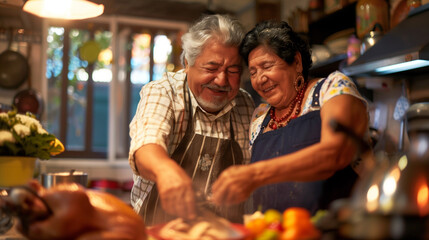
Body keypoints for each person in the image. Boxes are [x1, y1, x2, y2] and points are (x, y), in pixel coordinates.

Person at [211, 20, 369, 215]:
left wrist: (255, 174)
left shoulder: (332, 88)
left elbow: (335, 152)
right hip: (274, 233)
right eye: (253, 72)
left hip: (333, 231)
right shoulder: (260, 117)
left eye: (267, 66)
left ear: (296, 62)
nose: (259, 79)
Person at [128, 14, 254, 225]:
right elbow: (146, 147)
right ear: (187, 63)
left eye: (232, 71)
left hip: (223, 233)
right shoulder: (164, 91)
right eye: (211, 68)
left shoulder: (246, 104)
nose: (221, 80)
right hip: (159, 229)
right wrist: (166, 172)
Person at [1, 181, 147, 240]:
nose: (29, 209)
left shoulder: (66, 194)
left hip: (129, 233)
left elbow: (55, 230)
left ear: (36, 187)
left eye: (29, 201)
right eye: (22, 211)